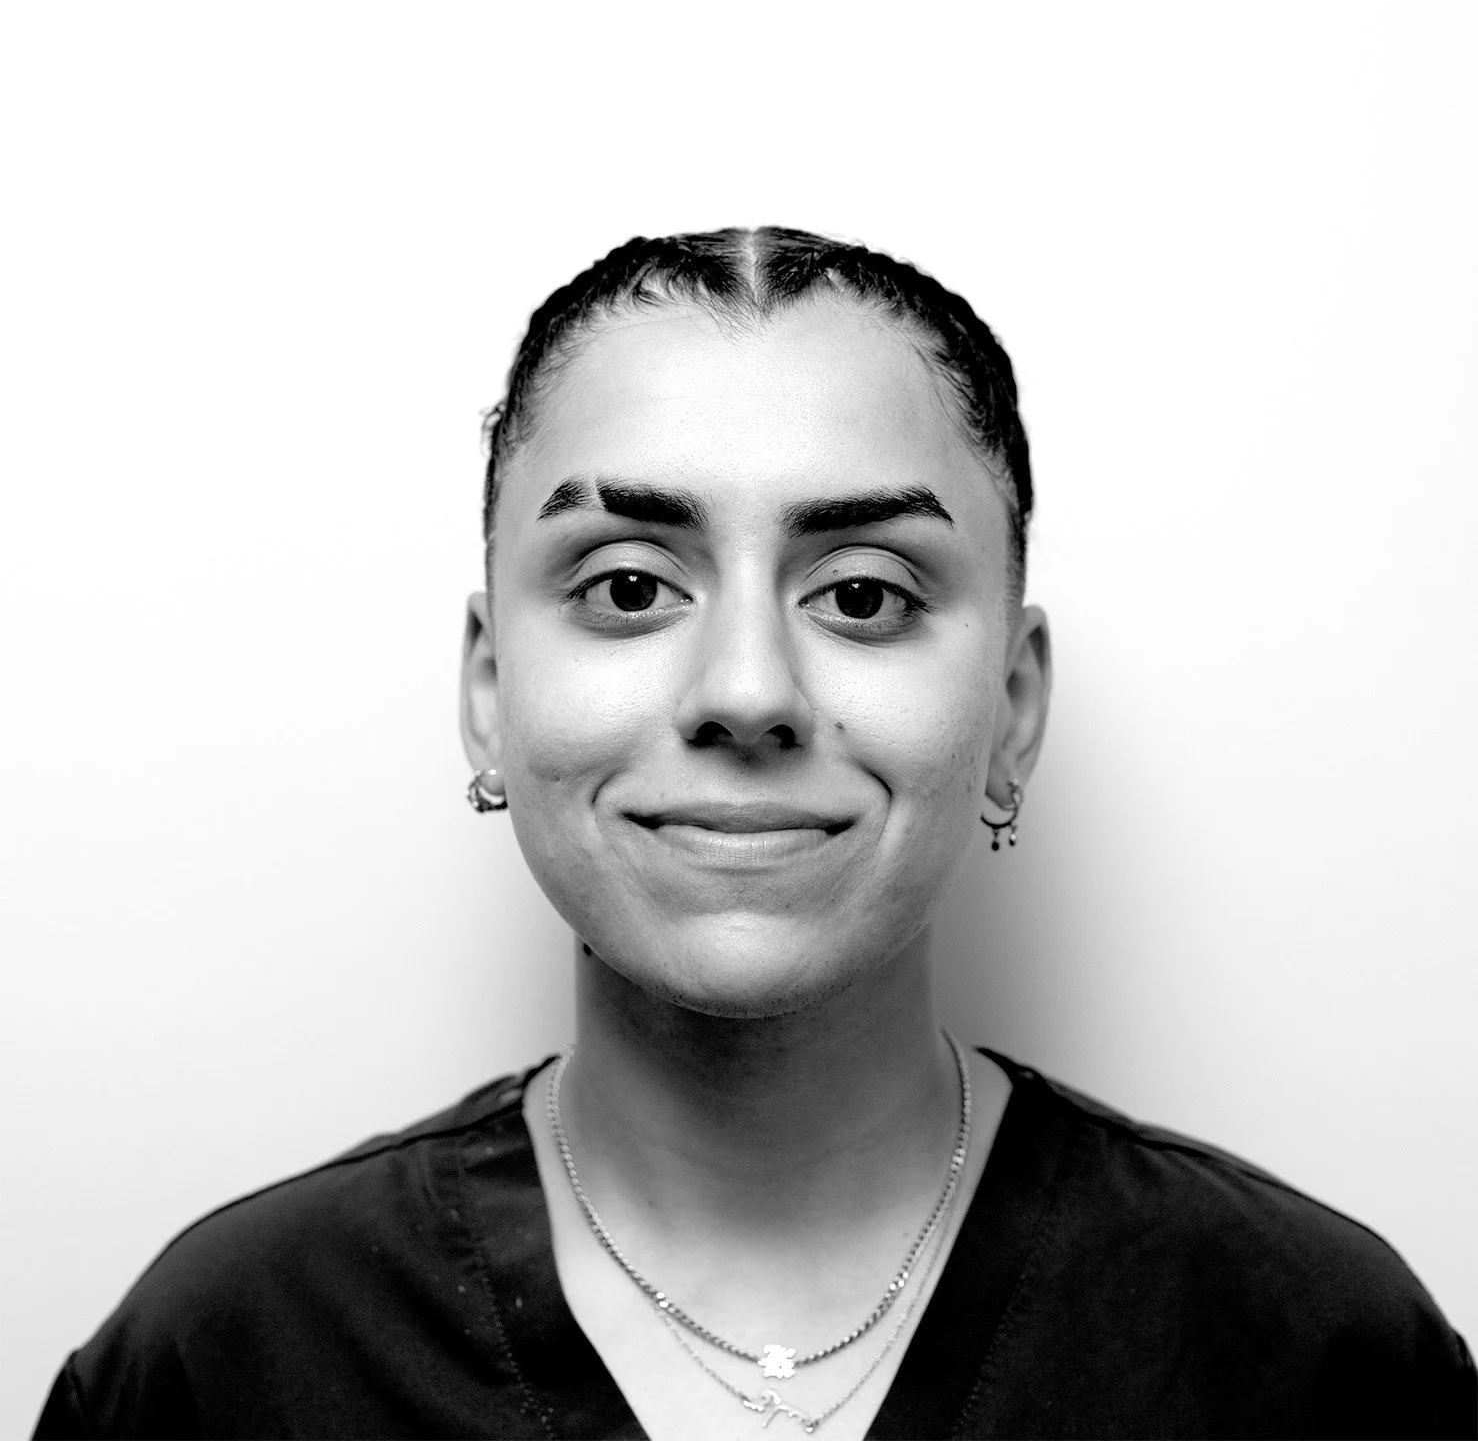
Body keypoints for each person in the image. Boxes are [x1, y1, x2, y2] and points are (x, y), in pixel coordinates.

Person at [34, 227, 1475, 1440]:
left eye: (860, 594)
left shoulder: (1310, 1356)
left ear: (1014, 711)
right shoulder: (229, 1362)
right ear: (487, 694)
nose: (743, 693)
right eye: (621, 587)